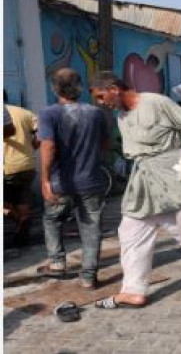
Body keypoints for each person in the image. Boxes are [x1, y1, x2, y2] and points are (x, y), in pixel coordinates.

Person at [90, 72, 181, 308]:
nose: (101, 102)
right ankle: (133, 290)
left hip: (171, 177)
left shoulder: (157, 102)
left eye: (101, 96)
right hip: (142, 181)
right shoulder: (122, 115)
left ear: (114, 88)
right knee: (130, 232)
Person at [37, 69, 109, 288]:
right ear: (79, 88)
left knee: (52, 219)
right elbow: (104, 144)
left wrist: (45, 179)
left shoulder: (48, 114)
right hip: (91, 180)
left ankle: (57, 263)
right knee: (91, 226)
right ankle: (88, 276)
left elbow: (48, 146)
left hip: (62, 181)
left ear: (54, 88)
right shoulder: (95, 113)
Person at [3, 91, 39, 248]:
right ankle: (22, 222)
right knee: (21, 197)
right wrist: (32, 147)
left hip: (6, 167)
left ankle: (18, 219)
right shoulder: (25, 113)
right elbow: (42, 133)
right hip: (27, 165)